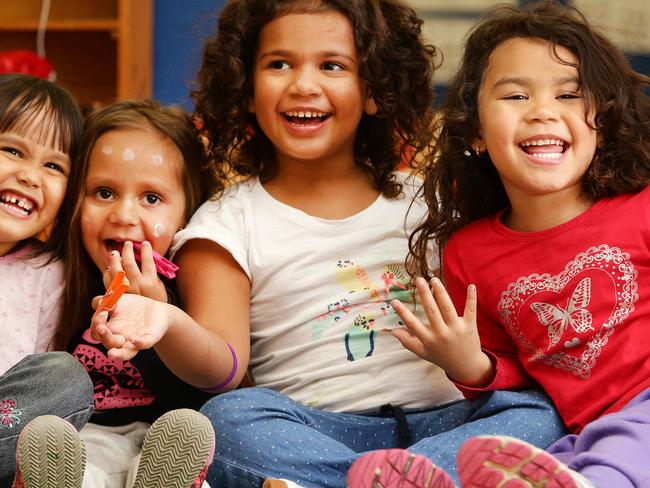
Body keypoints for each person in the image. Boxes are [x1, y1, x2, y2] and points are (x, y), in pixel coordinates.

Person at [91, 1, 566, 487]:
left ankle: (388, 479)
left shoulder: (432, 201)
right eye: (279, 64)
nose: (303, 84)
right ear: (246, 89)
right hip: (316, 430)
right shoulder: (228, 223)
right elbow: (223, 370)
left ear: (374, 90)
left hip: (445, 422)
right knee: (226, 419)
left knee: (537, 411)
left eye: (332, 65)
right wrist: (168, 321)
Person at [397, 2, 650, 487]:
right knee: (549, 463)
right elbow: (521, 380)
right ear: (474, 131)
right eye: (515, 95)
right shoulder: (469, 254)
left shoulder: (639, 209)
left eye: (570, 94)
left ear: (602, 119)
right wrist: (468, 362)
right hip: (586, 430)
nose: (542, 112)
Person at [21, 100, 218, 488]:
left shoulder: (192, 288)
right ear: (76, 201)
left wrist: (158, 316)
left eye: (151, 198)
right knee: (80, 467)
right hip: (82, 440)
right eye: (105, 192)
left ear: (186, 213)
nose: (124, 215)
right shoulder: (61, 281)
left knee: (185, 445)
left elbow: (198, 399)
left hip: (161, 438)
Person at [0, 73, 95, 488]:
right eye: (12, 150)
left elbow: (39, 390)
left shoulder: (48, 273)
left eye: (53, 166)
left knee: (65, 378)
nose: (30, 176)